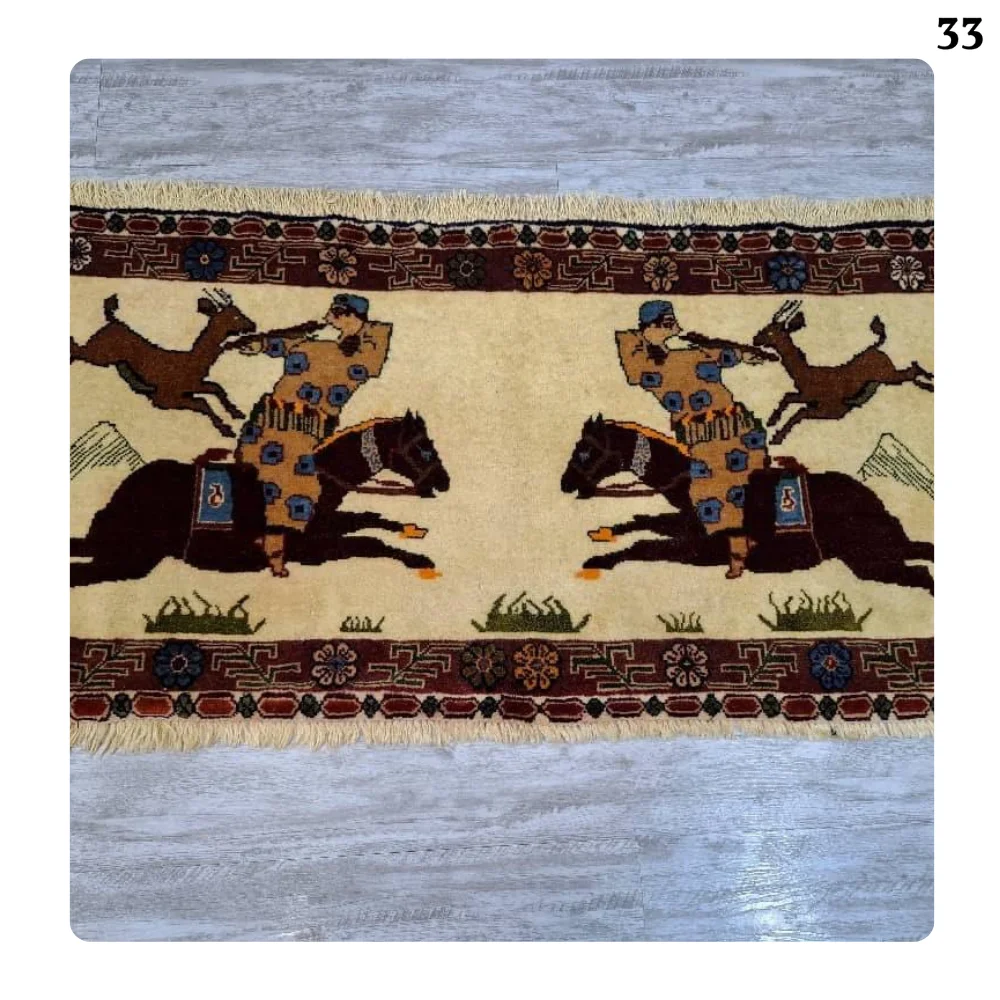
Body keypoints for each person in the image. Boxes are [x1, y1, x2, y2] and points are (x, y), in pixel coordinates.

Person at [235, 293, 392, 577]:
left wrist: (356, 328)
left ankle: (273, 546)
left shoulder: (364, 354)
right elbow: (282, 345)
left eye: (336, 313)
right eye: (332, 312)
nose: (329, 317)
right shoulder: (313, 344)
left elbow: (375, 345)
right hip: (269, 419)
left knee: (297, 485)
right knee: (257, 472)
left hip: (303, 430)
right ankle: (259, 537)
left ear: (350, 316)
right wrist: (259, 345)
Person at [615, 300, 774, 579]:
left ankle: (742, 549)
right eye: (667, 323)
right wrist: (643, 336)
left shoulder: (692, 355)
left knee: (724, 490)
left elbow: (722, 354)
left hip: (732, 433)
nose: (673, 327)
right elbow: (632, 364)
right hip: (703, 440)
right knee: (705, 494)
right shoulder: (650, 365)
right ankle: (742, 546)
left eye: (671, 322)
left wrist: (746, 355)